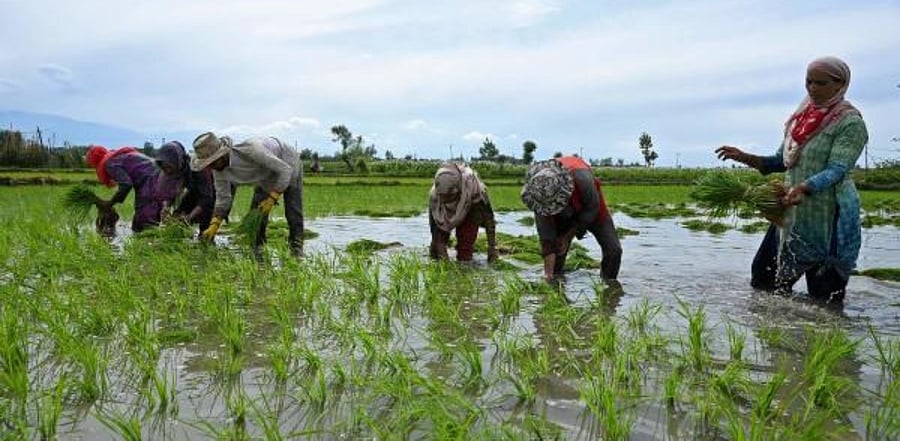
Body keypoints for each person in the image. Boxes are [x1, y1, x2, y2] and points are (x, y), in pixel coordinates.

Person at [715, 56, 867, 307]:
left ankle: (826, 341)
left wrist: (805, 188)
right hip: (792, 212)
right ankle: (777, 335)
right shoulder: (802, 119)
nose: (812, 88)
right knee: (763, 279)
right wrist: (743, 156)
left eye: (821, 83)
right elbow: (780, 161)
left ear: (840, 85)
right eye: (809, 81)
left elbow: (838, 169)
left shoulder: (850, 122)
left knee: (825, 296)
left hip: (829, 216)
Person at [190, 132, 304, 256]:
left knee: (293, 210)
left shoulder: (251, 150)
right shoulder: (218, 170)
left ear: (221, 155)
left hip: (287, 162)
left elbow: (285, 170)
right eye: (207, 164)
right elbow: (223, 198)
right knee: (256, 215)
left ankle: (296, 248)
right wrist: (215, 223)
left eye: (212, 163)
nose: (210, 167)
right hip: (264, 176)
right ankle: (258, 249)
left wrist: (272, 198)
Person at [521, 156, 622, 282]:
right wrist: (548, 275)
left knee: (614, 250)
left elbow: (592, 209)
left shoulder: (582, 178)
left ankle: (609, 287)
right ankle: (557, 284)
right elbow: (547, 240)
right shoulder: (539, 196)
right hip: (560, 216)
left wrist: (568, 236)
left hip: (591, 208)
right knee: (557, 252)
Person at [428, 162, 499, 263]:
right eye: (443, 197)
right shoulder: (435, 197)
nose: (445, 200)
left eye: (449, 196)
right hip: (445, 216)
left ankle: (466, 267)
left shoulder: (476, 192)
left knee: (465, 248)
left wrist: (492, 248)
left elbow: (489, 221)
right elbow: (435, 230)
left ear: (458, 190)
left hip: (469, 210)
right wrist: (444, 263)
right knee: (437, 252)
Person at [85, 145, 163, 232]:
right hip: (157, 175)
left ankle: (150, 240)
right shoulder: (117, 158)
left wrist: (110, 203)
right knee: (142, 220)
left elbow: (126, 184)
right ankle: (150, 238)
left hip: (150, 179)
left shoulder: (110, 164)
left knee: (145, 220)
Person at [155, 141, 215, 236]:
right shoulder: (170, 171)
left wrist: (189, 217)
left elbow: (206, 198)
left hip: (211, 191)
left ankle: (206, 241)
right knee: (177, 216)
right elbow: (168, 192)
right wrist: (165, 207)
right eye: (164, 168)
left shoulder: (198, 167)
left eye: (169, 167)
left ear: (178, 161)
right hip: (193, 191)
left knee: (205, 226)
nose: (167, 170)